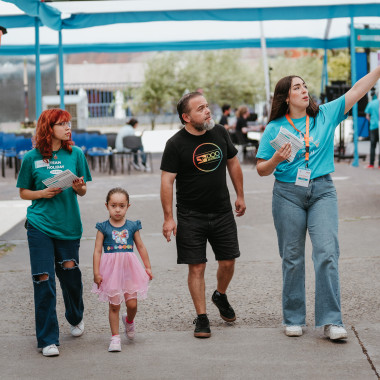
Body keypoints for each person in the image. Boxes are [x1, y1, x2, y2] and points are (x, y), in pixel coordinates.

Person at [256, 66, 380, 341]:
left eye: (304, 86)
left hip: (323, 190)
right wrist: (276, 159)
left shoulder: (325, 114)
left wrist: (379, 69)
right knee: (292, 258)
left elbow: (358, 90)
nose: (304, 90)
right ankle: (293, 318)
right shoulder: (275, 128)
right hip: (287, 194)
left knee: (326, 253)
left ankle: (332, 321)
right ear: (286, 98)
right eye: (296, 87)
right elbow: (261, 169)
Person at [160, 91, 246, 338]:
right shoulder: (175, 144)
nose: (207, 111)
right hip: (190, 215)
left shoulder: (219, 132)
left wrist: (240, 195)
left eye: (207, 106)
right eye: (200, 108)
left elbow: (233, 163)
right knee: (196, 267)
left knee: (228, 261)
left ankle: (220, 294)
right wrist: (168, 217)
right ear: (186, 117)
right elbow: (167, 182)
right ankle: (202, 317)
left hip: (222, 211)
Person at [16, 108, 92, 357]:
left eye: (69, 123)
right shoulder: (31, 158)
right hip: (39, 225)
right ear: (49, 128)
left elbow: (82, 192)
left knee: (70, 274)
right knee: (43, 278)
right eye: (62, 124)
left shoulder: (76, 154)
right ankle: (48, 339)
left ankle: (75, 315)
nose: (68, 127)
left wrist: (79, 188)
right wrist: (42, 193)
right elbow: (24, 192)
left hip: (68, 225)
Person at [92, 187, 153, 352]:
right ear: (107, 206)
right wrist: (96, 272)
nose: (117, 209)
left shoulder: (132, 226)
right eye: (113, 205)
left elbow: (140, 246)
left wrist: (147, 266)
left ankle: (129, 321)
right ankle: (115, 337)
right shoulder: (103, 227)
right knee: (114, 305)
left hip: (129, 269)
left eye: (121, 205)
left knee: (132, 304)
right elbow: (97, 250)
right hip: (110, 270)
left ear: (128, 206)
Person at [364, 94, 379, 168]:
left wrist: (372, 121)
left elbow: (367, 116)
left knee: (373, 146)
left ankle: (371, 164)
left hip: (373, 126)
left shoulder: (371, 103)